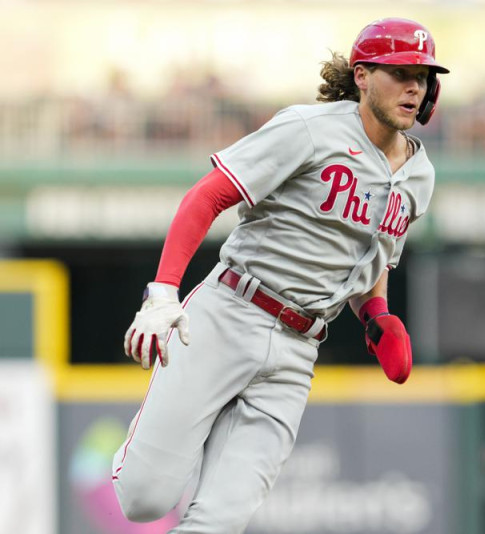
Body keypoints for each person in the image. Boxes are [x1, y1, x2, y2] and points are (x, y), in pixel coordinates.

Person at [111, 17, 448, 533]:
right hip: (231, 312)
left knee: (222, 520)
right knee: (144, 498)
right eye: (399, 72)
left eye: (422, 77)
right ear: (361, 76)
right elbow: (208, 195)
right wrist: (162, 294)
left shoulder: (420, 174)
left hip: (299, 347)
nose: (413, 87)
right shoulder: (312, 129)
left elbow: (373, 258)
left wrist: (377, 314)